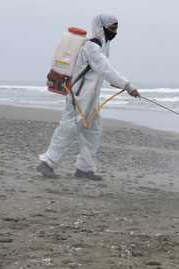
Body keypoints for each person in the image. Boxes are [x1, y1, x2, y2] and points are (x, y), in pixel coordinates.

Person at [37, 13, 140, 181]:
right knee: (68, 130)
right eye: (112, 28)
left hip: (90, 99)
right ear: (101, 27)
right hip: (78, 97)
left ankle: (84, 169)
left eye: (116, 28)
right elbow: (106, 69)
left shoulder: (103, 45)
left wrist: (123, 84)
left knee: (93, 131)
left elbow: (103, 71)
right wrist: (127, 85)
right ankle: (47, 163)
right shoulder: (92, 46)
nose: (115, 32)